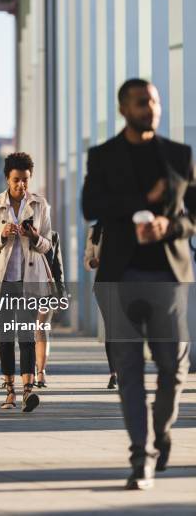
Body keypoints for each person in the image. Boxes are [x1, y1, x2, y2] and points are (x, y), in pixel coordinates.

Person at [82, 78, 196, 490]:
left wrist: (169, 225)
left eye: (154, 101)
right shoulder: (104, 155)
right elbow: (90, 205)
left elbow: (194, 214)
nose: (151, 107)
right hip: (120, 276)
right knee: (129, 373)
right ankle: (140, 456)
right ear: (123, 108)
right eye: (141, 102)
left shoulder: (179, 155)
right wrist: (137, 209)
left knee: (173, 370)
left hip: (169, 277)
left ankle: (161, 433)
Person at [0, 152, 53, 411]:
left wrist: (34, 236)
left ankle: (28, 391)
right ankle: (9, 391)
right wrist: (2, 236)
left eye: (26, 180)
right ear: (7, 179)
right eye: (17, 180)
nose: (22, 185)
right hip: (4, 279)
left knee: (26, 334)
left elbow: (48, 245)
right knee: (6, 335)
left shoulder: (40, 205)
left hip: (30, 279)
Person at [83, 221, 117, 389]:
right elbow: (87, 260)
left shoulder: (128, 224)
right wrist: (94, 262)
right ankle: (114, 374)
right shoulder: (95, 229)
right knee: (111, 328)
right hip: (103, 284)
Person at [35, 230, 66, 388]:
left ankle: (41, 372)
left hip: (46, 288)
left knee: (41, 328)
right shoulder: (16, 232)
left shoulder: (52, 235)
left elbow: (57, 267)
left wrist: (61, 294)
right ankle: (27, 371)